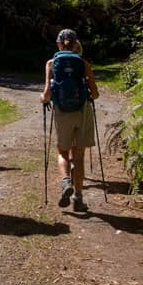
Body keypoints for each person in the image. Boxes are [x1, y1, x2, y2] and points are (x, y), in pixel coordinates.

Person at [40, 28, 99, 212]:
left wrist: (43, 99)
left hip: (62, 112)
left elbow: (47, 94)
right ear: (75, 44)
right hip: (81, 111)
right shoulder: (83, 63)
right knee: (78, 157)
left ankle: (66, 181)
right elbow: (95, 94)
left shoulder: (51, 63)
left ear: (59, 43)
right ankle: (78, 198)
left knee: (63, 151)